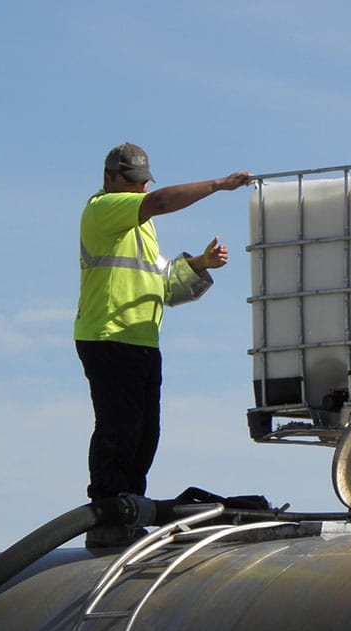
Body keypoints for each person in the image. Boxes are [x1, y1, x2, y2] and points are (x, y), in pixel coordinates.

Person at [75, 142, 252, 537]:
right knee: (119, 428)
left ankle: (128, 507)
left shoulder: (140, 229)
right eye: (131, 182)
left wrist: (199, 265)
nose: (138, 191)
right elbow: (159, 201)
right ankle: (107, 510)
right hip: (109, 335)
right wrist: (219, 185)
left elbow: (163, 285)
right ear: (110, 179)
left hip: (141, 340)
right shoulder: (102, 210)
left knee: (144, 433)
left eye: (141, 184)